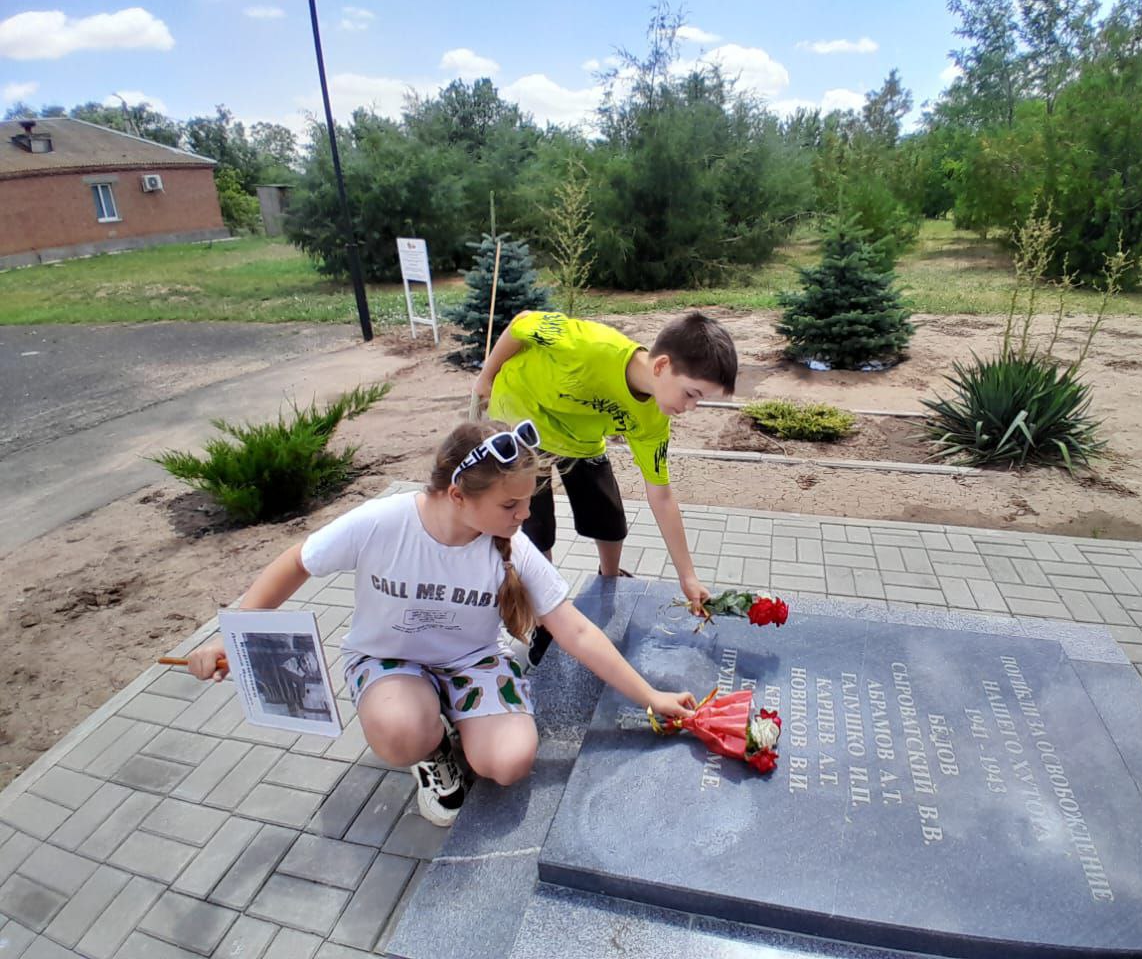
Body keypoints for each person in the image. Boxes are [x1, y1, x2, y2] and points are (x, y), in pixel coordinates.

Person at [186, 419, 695, 826]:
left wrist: (651, 696)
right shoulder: (382, 522)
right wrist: (233, 633)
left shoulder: (511, 546)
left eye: (528, 501)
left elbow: (576, 630)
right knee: (399, 730)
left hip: (471, 661)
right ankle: (431, 748)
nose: (525, 515)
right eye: (511, 504)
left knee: (509, 763)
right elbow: (298, 561)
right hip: (389, 660)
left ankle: (459, 712)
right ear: (458, 495)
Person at [474, 309, 738, 664]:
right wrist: (485, 378)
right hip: (522, 420)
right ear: (661, 366)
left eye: (699, 400)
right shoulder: (588, 347)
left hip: (580, 439)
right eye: (691, 394)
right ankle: (547, 620)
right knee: (537, 529)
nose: (690, 407)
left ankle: (608, 583)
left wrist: (687, 577)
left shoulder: (654, 418)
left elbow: (660, 495)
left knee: (609, 518)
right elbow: (522, 321)